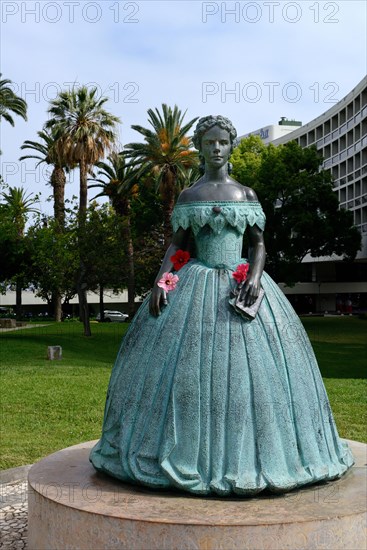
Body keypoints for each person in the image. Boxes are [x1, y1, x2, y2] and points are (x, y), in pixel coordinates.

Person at [90, 115, 353, 496]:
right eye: (209, 142)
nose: (216, 148)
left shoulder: (245, 195)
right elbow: (178, 247)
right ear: (200, 147)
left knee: (257, 378)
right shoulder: (189, 197)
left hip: (240, 285)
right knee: (180, 373)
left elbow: (258, 245)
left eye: (222, 142)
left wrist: (255, 276)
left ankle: (257, 456)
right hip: (194, 285)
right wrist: (161, 281)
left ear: (231, 147)